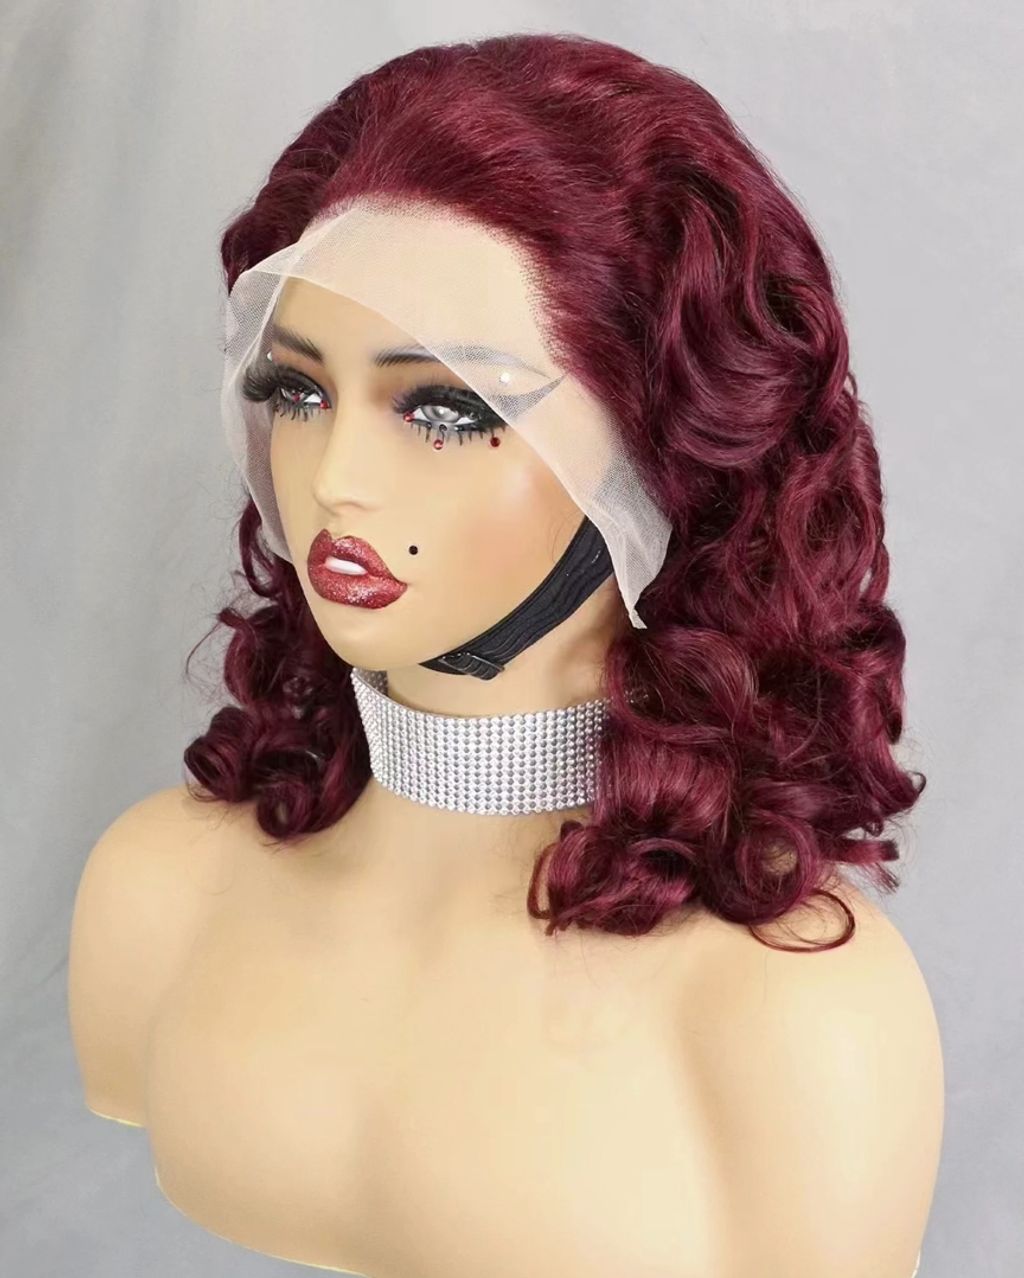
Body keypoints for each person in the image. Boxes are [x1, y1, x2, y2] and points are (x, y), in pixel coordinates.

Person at [68, 31, 942, 1278]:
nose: (336, 478)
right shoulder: (158, 892)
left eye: (444, 410)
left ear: (659, 444)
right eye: (298, 393)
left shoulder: (790, 1019)